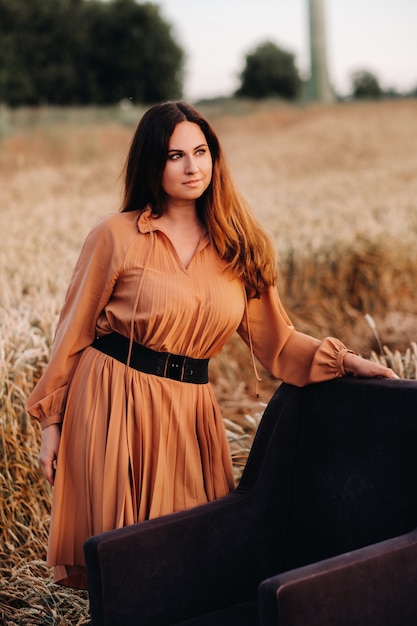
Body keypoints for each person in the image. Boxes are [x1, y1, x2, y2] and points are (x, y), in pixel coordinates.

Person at [25, 101, 397, 589]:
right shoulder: (114, 235)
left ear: (215, 158)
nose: (192, 166)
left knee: (190, 563)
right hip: (114, 403)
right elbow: (71, 332)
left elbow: (278, 345)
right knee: (128, 568)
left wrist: (347, 363)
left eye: (201, 152)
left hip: (190, 414)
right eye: (175, 155)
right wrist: (51, 423)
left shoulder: (238, 246)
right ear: (151, 164)